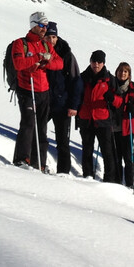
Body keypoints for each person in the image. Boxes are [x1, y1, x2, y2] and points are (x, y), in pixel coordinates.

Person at [10, 11, 62, 170]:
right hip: (27, 89)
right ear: (33, 25)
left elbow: (59, 63)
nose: (44, 29)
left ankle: (39, 162)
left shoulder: (45, 44)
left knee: (41, 127)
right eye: (41, 25)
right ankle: (21, 159)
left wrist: (46, 63)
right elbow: (18, 64)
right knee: (27, 125)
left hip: (43, 91)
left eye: (45, 26)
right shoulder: (21, 43)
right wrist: (36, 58)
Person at [44, 22, 83, 174]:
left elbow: (76, 81)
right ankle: (37, 164)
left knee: (63, 142)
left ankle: (63, 172)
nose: (51, 40)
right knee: (38, 134)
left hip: (62, 105)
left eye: (53, 37)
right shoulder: (40, 51)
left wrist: (73, 105)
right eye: (48, 37)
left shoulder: (66, 54)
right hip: (45, 102)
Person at [78, 50, 116, 181]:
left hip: (103, 119)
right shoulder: (83, 77)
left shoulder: (110, 79)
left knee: (107, 151)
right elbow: (76, 95)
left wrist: (112, 98)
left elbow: (119, 101)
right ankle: (87, 175)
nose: (96, 64)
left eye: (99, 62)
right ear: (90, 62)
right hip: (86, 118)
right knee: (87, 149)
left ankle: (109, 178)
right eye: (94, 61)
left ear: (103, 63)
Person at [110, 62, 134, 186]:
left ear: (129, 74)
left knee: (129, 159)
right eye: (120, 71)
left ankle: (130, 183)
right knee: (116, 158)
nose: (122, 73)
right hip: (114, 127)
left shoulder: (133, 91)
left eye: (125, 71)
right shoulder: (111, 87)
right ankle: (117, 182)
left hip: (128, 129)